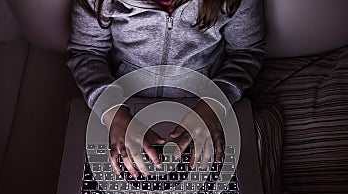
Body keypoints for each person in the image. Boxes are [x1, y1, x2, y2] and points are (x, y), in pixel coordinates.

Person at [67, 0, 265, 179]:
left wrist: (215, 102)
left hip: (204, 112)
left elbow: (245, 52)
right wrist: (111, 111)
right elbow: (87, 51)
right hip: (122, 114)